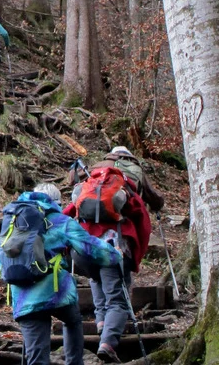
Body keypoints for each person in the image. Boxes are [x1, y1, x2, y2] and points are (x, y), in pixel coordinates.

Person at [0, 184, 123, 365]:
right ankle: (74, 362)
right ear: (56, 202)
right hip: (56, 292)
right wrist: (115, 254)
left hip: (23, 296)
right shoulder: (61, 221)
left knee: (36, 358)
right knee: (73, 321)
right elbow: (91, 248)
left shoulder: (12, 221)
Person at [63, 146, 164, 362]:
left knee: (95, 276)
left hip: (83, 249)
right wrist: (136, 252)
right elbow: (144, 219)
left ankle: (102, 323)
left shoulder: (96, 173)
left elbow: (71, 208)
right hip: (111, 247)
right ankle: (108, 343)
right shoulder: (129, 179)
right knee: (117, 299)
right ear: (130, 157)